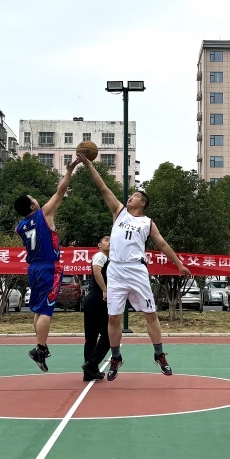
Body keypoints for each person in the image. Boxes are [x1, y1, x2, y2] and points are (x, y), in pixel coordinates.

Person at [81, 156, 192, 381]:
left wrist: (179, 264)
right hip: (116, 271)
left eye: (136, 196)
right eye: (131, 195)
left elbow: (163, 244)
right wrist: (90, 165)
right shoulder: (119, 212)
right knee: (114, 319)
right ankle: (115, 358)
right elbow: (103, 188)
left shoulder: (147, 222)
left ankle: (159, 354)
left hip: (137, 270)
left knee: (150, 314)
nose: (131, 196)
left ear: (143, 204)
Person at [14, 157, 80, 372]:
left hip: (33, 268)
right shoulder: (44, 214)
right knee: (46, 310)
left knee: (37, 309)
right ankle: (40, 349)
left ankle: (40, 346)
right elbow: (60, 192)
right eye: (33, 198)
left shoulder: (20, 227)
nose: (36, 199)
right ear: (33, 205)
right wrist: (69, 171)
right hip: (49, 267)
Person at [82, 235, 111, 381]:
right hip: (97, 298)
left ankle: (89, 371)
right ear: (99, 245)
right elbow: (96, 272)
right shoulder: (100, 256)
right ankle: (91, 365)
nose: (109, 242)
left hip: (92, 300)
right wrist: (105, 290)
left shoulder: (110, 258)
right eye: (106, 240)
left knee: (91, 337)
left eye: (111, 239)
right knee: (109, 335)